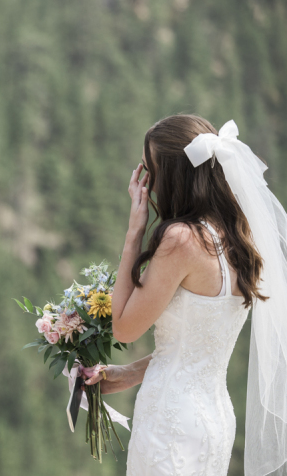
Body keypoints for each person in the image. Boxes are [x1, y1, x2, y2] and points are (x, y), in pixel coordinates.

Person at [81, 115, 287, 475]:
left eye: (150, 172)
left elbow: (125, 328)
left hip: (169, 422)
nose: (149, 185)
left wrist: (134, 232)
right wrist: (130, 373)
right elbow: (199, 346)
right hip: (215, 420)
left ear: (173, 176)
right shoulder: (241, 238)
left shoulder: (181, 240)